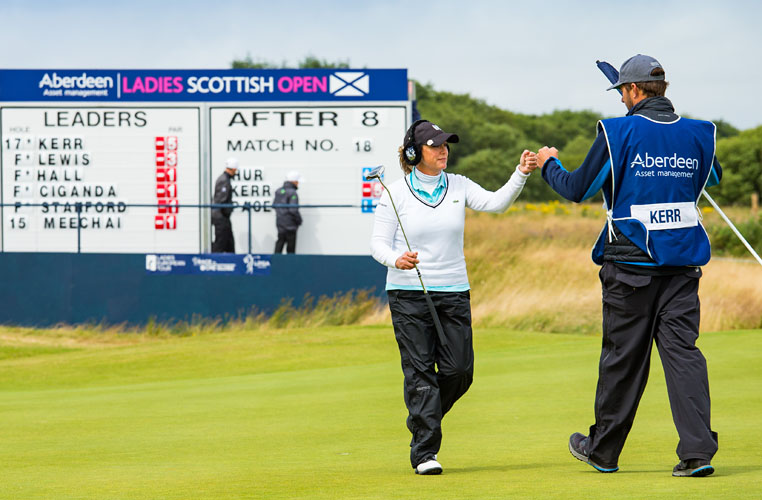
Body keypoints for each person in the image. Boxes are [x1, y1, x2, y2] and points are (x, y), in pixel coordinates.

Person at [536, 54, 722, 477]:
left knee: (623, 359)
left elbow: (577, 188)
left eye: (622, 91)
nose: (621, 99)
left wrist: (549, 164)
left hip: (630, 268)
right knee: (684, 357)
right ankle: (697, 453)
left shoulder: (617, 131)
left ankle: (603, 451)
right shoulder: (698, 133)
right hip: (681, 269)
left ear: (635, 91)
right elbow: (712, 177)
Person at [370, 119, 538, 475]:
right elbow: (378, 243)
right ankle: (425, 453)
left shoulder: (458, 185)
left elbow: (496, 203)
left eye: (445, 144)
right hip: (408, 292)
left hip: (454, 291)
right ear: (416, 153)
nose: (443, 150)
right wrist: (395, 259)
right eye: (435, 146)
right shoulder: (395, 193)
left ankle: (421, 417)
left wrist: (520, 173)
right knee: (419, 372)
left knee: (460, 371)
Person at [211, 157, 238, 253]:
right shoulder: (224, 180)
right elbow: (221, 200)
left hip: (222, 216)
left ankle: (233, 260)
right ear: (233, 169)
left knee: (229, 242)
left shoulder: (224, 179)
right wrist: (227, 211)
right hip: (221, 217)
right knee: (221, 241)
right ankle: (213, 261)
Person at [273, 171, 303, 254]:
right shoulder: (293, 193)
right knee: (290, 247)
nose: (298, 184)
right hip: (290, 224)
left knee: (280, 242)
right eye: (297, 182)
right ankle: (290, 265)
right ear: (294, 181)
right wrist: (299, 220)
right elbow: (293, 209)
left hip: (280, 222)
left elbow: (274, 205)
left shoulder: (278, 191)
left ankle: (276, 262)